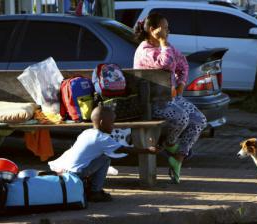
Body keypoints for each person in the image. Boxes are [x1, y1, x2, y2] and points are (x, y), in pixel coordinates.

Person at [133, 13, 207, 184]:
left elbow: (183, 64)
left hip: (171, 98)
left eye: (167, 28)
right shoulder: (145, 50)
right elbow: (165, 63)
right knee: (182, 117)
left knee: (199, 121)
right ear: (153, 30)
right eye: (164, 28)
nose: (168, 31)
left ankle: (178, 158)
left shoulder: (167, 46)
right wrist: (163, 43)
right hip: (153, 102)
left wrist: (181, 82)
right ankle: (171, 145)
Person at [48, 104, 160, 202]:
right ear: (101, 123)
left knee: (100, 157)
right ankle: (95, 192)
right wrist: (148, 150)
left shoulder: (87, 132)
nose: (113, 125)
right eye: (111, 122)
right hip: (75, 173)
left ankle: (89, 187)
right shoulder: (101, 138)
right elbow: (126, 149)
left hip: (62, 169)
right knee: (105, 158)